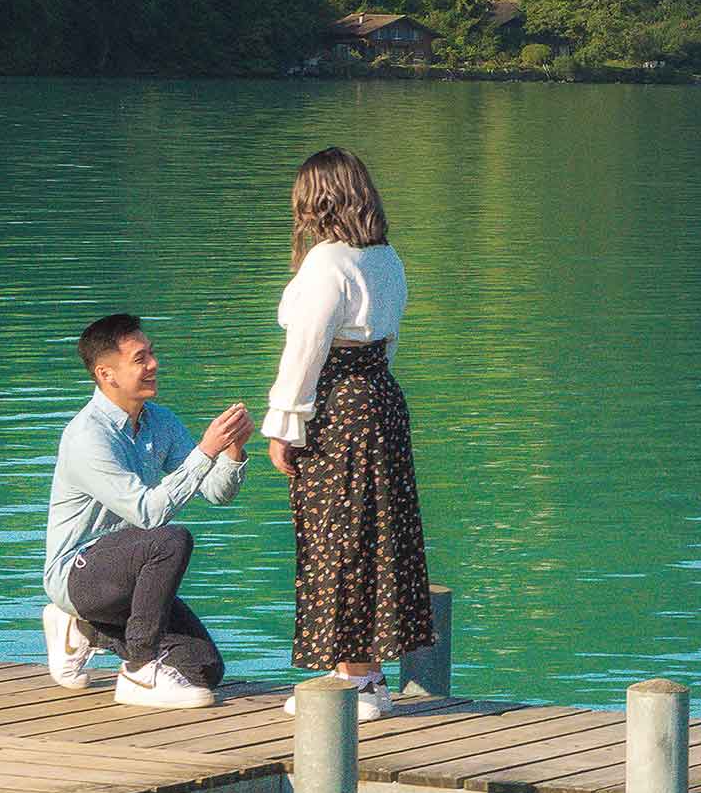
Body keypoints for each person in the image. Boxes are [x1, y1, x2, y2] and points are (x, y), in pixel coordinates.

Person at [264, 147, 435, 720]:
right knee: (377, 533)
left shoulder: (326, 263)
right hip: (381, 399)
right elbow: (388, 342)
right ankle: (367, 673)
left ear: (319, 200)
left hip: (337, 409)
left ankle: (356, 681)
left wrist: (285, 424)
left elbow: (306, 349)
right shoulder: (386, 258)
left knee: (337, 534)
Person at [44, 312, 252, 709]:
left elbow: (215, 493)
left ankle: (83, 630)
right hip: (79, 574)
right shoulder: (87, 436)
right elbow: (147, 514)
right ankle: (140, 670)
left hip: (129, 580)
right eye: (141, 358)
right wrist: (205, 450)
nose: (154, 364)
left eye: (151, 353)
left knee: (204, 670)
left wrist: (230, 450)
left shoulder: (161, 421)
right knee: (169, 539)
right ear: (107, 374)